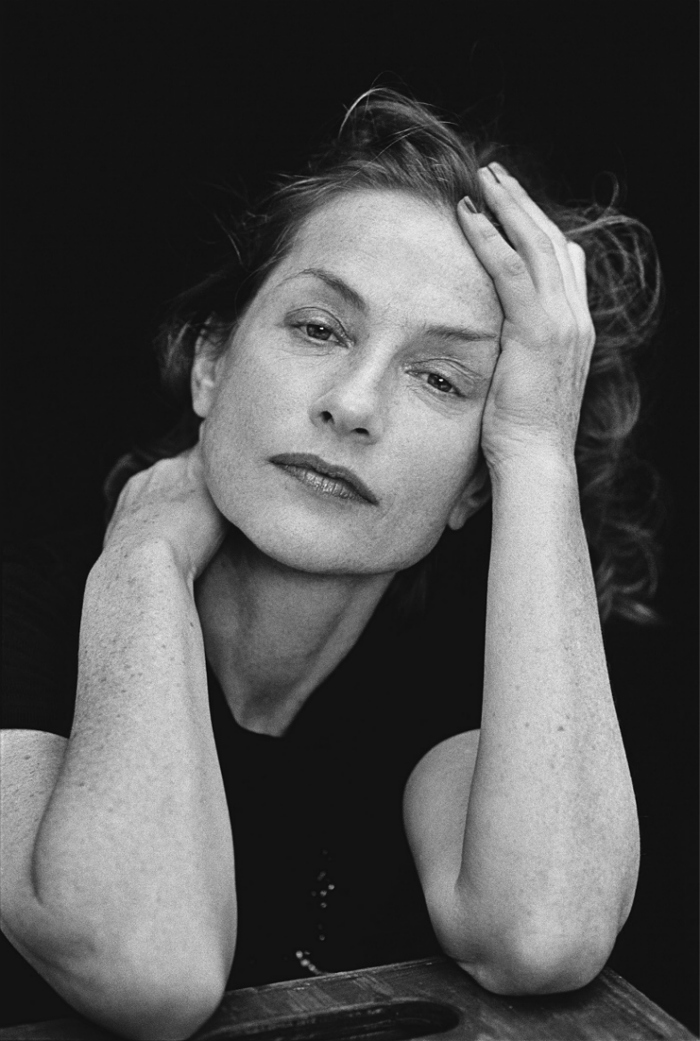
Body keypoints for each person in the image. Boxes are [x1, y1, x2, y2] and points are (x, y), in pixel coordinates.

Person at [0, 88, 663, 1040]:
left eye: (439, 378)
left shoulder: (442, 669)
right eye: (319, 328)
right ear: (210, 364)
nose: (353, 404)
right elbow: (146, 964)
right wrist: (142, 557)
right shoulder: (27, 608)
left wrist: (535, 450)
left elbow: (542, 932)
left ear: (473, 487)